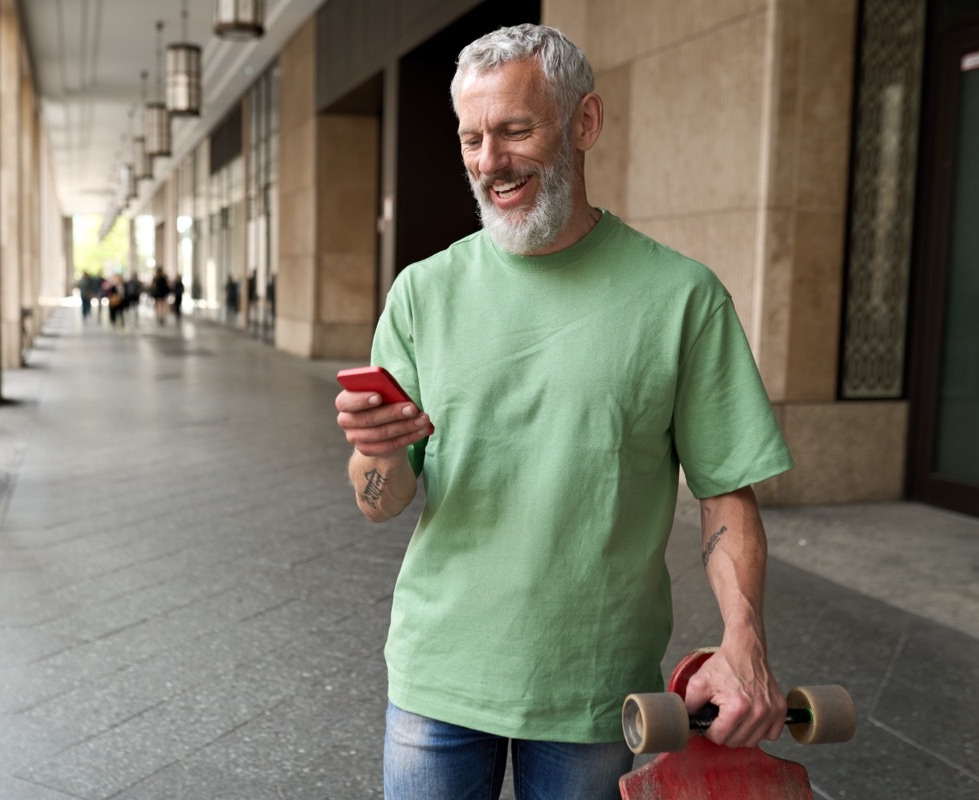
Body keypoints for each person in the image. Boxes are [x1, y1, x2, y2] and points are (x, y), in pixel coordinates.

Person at [333, 24, 794, 800]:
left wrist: (743, 637)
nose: (490, 162)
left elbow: (726, 491)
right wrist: (376, 455)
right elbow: (380, 504)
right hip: (438, 674)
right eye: (471, 138)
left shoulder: (681, 297)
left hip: (593, 686)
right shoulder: (422, 292)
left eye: (515, 130)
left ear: (585, 123)